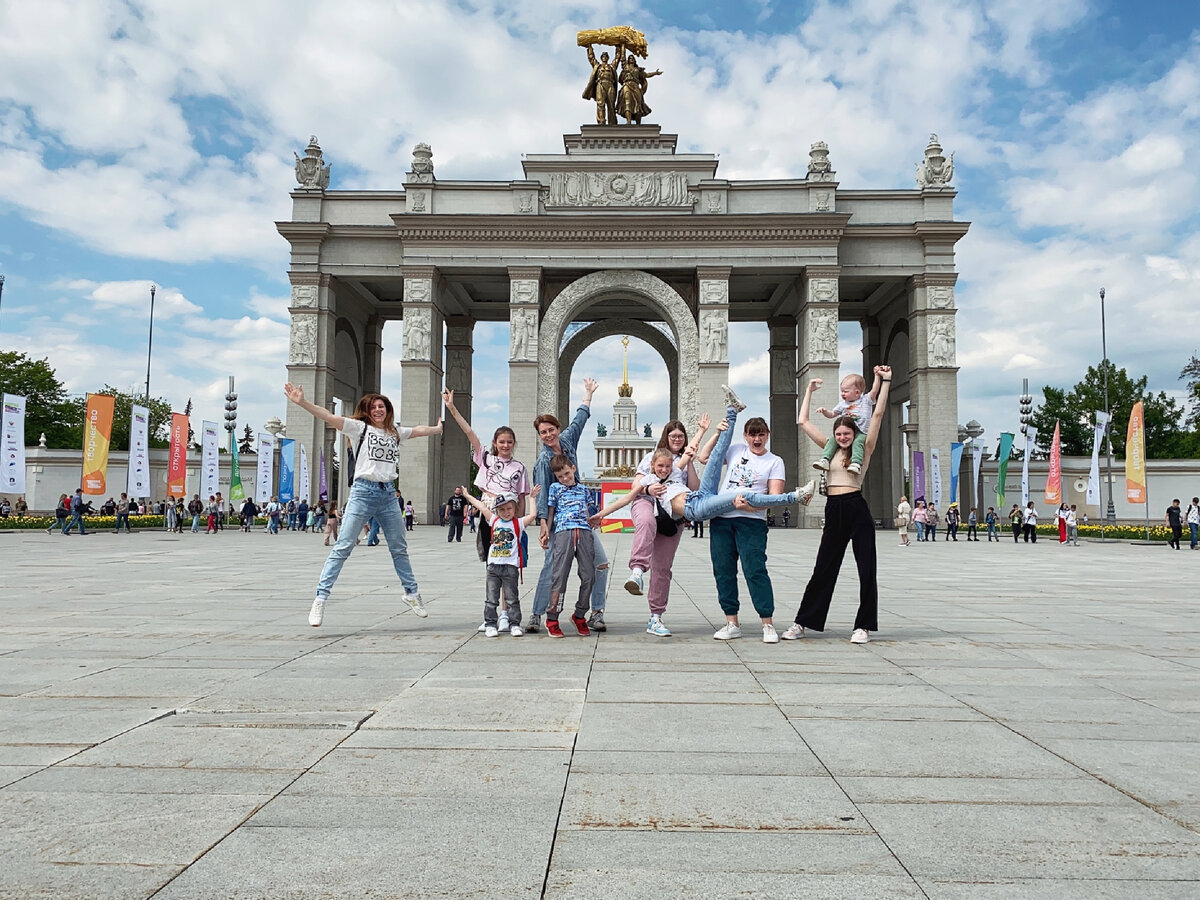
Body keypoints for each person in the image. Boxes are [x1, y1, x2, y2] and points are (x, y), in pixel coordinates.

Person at [285, 383, 441, 627]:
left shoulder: (395, 433)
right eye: (373, 407)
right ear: (367, 411)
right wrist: (302, 402)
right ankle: (320, 599)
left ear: (388, 410)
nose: (378, 410)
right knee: (343, 547)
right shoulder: (359, 428)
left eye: (382, 406)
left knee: (399, 547)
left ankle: (411, 594)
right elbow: (328, 416)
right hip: (363, 492)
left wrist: (438, 428)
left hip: (389, 495)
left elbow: (419, 430)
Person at [784, 365, 892, 644]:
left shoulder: (864, 447)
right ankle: (802, 622)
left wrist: (886, 381)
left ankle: (863, 626)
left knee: (866, 568)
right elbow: (803, 422)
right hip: (833, 509)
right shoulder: (829, 446)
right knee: (823, 567)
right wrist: (807, 391)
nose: (843, 437)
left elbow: (877, 414)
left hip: (856, 507)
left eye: (847, 433)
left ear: (854, 433)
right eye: (839, 434)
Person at [702, 386, 791, 644]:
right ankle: (732, 622)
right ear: (745, 435)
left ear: (767, 436)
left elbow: (772, 498)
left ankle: (767, 623)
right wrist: (717, 433)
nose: (756, 439)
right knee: (724, 570)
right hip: (721, 519)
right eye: (752, 434)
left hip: (751, 522)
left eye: (761, 434)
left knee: (755, 570)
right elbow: (705, 456)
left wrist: (748, 508)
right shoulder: (735, 450)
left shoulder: (774, 461)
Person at [442, 389, 530, 633]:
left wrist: (521, 524)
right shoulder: (487, 459)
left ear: (514, 444)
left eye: (509, 442)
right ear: (494, 443)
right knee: (492, 565)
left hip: (510, 519)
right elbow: (469, 433)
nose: (505, 445)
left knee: (509, 566)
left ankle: (505, 614)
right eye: (501, 442)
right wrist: (452, 408)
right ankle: (492, 613)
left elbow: (522, 497)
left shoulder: (520, 468)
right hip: (488, 515)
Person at [528, 378, 609, 634]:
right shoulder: (544, 459)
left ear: (557, 428)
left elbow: (580, 420)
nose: (549, 434)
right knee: (551, 567)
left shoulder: (568, 440)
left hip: (582, 523)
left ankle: (595, 612)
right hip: (560, 525)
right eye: (543, 432)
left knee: (601, 564)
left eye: (551, 429)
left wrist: (587, 395)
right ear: (540, 435)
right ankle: (536, 614)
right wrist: (543, 526)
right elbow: (543, 495)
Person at [616, 418, 703, 637]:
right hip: (647, 502)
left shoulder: (682, 462)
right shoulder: (651, 457)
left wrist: (690, 460)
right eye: (673, 435)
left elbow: (694, 488)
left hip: (672, 516)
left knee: (663, 567)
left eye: (681, 436)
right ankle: (636, 571)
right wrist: (648, 489)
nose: (677, 439)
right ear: (666, 436)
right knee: (646, 522)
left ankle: (655, 617)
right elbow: (635, 486)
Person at [460, 487, 539, 637]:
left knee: (512, 599)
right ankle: (490, 624)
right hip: (493, 567)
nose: (506, 512)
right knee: (491, 599)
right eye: (501, 509)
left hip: (510, 567)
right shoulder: (494, 520)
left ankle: (514, 624)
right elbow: (481, 506)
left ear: (515, 509)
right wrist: (467, 496)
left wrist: (532, 498)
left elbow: (533, 515)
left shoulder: (519, 523)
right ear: (497, 511)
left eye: (509, 508)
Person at [544, 455, 600, 637]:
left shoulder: (584, 490)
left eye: (567, 473)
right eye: (560, 476)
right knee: (560, 576)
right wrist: (545, 530)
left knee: (589, 576)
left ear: (573, 469)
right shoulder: (555, 488)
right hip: (563, 532)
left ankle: (580, 614)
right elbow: (551, 511)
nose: (565, 478)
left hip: (584, 532)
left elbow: (591, 511)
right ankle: (552, 617)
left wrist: (596, 519)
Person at [812, 371, 882, 476]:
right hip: (846, 431)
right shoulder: (842, 405)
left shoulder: (865, 400)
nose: (842, 394)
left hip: (861, 432)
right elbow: (832, 414)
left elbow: (875, 390)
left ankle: (856, 463)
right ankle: (825, 460)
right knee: (832, 440)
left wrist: (877, 376)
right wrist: (824, 411)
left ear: (857, 392)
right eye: (842, 391)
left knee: (858, 443)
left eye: (846, 391)